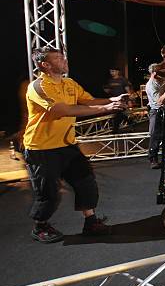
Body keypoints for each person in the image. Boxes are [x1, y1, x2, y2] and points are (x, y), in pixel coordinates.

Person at [23, 46, 128, 243]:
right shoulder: (37, 87)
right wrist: (105, 108)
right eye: (59, 58)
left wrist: (111, 99)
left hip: (67, 145)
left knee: (86, 181)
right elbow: (62, 110)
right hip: (41, 149)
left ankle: (91, 222)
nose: (64, 61)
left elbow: (87, 101)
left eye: (63, 57)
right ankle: (40, 226)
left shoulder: (69, 83)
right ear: (45, 65)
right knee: (49, 193)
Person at [146, 64, 165, 169]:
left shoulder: (161, 81)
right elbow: (159, 101)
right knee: (155, 136)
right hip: (156, 111)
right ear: (154, 73)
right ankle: (153, 158)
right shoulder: (151, 85)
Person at [103, 68, 132, 133]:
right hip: (113, 100)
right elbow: (108, 90)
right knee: (119, 114)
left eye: (113, 71)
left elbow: (128, 90)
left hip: (122, 99)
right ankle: (130, 121)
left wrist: (129, 100)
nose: (111, 73)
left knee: (118, 113)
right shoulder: (110, 80)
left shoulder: (123, 80)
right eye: (110, 71)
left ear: (117, 72)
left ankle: (115, 129)